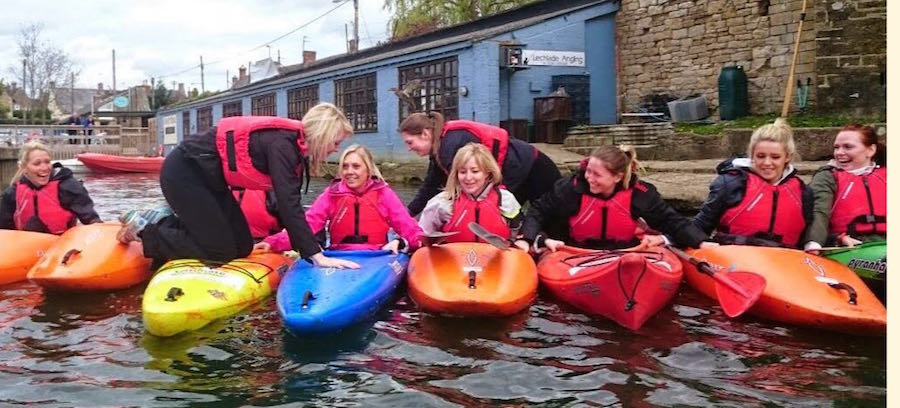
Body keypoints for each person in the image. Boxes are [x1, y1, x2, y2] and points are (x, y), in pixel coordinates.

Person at [117, 102, 359, 269]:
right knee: (220, 250)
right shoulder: (283, 145)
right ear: (324, 135)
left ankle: (166, 224)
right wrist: (316, 256)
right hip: (185, 173)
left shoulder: (293, 146)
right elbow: (288, 204)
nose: (336, 148)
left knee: (242, 246)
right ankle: (145, 232)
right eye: (335, 142)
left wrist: (306, 247)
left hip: (211, 182)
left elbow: (291, 205)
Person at [514, 145, 714, 252]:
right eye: (588, 171)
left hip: (626, 252)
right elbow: (538, 211)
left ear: (617, 177)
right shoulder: (570, 188)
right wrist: (529, 239)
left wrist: (700, 241)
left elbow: (671, 221)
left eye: (597, 174)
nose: (589, 178)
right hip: (576, 252)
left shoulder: (640, 194)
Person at [258, 144, 423, 253]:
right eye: (345, 166)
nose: (349, 172)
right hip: (337, 255)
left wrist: (409, 243)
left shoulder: (383, 194)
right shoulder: (332, 194)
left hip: (376, 257)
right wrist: (274, 243)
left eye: (356, 166)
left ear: (369, 169)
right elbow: (308, 225)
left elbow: (408, 228)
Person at [400, 112, 561, 215]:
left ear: (425, 134)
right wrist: (407, 213)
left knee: (550, 216)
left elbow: (463, 193)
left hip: (535, 169)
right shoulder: (440, 148)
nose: (408, 149)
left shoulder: (451, 148)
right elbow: (430, 186)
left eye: (410, 142)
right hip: (517, 173)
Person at [693, 118, 814, 248]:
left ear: (788, 157)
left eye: (775, 157)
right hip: (734, 260)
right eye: (760, 156)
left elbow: (807, 238)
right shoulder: (730, 184)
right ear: (752, 155)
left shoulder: (803, 192)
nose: (767, 163)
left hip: (784, 261)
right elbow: (699, 227)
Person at [804, 123, 886, 251]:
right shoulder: (828, 176)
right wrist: (815, 243)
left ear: (870, 150)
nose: (839, 153)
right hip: (847, 246)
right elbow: (819, 211)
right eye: (836, 147)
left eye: (848, 147)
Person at [418, 143, 522, 243]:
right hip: (452, 260)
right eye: (462, 172)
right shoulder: (442, 203)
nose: (468, 178)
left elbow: (518, 234)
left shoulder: (505, 200)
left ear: (488, 173)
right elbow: (423, 236)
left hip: (496, 259)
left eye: (475, 171)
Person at [0, 141, 101, 234]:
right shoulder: (12, 193)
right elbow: (4, 229)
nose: (44, 168)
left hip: (62, 246)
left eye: (47, 162)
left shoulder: (68, 187)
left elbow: (91, 220)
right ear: (24, 167)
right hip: (26, 247)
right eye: (37, 163)